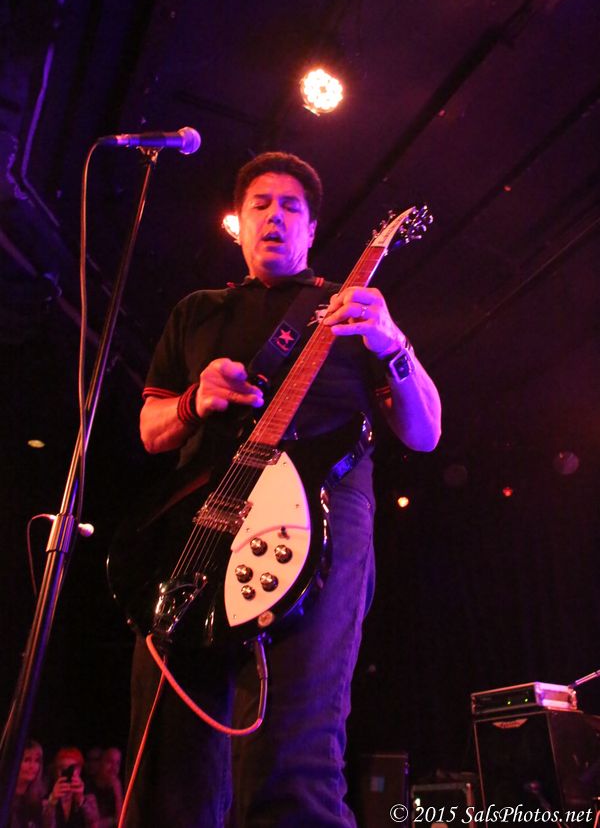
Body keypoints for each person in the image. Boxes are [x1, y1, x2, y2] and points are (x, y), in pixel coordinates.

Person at [124, 151, 441, 827]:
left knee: (292, 747)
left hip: (322, 521)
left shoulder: (349, 310)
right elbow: (151, 431)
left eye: (291, 206)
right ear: (237, 223)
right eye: (260, 204)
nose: (274, 216)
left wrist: (391, 342)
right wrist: (194, 401)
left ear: (311, 228)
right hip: (201, 530)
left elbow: (426, 432)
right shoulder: (197, 311)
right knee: (171, 752)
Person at [43, 748, 99, 828]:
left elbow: (94, 824)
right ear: (56, 771)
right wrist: (52, 801)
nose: (67, 772)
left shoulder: (88, 796)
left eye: (71, 768)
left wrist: (81, 800)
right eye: (62, 768)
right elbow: (45, 825)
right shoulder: (46, 796)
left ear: (80, 770)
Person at [10, 739, 45, 828]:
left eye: (36, 761)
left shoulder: (38, 799)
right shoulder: (4, 796)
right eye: (27, 760)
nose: (32, 766)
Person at [87, 748, 123, 828]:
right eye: (110, 762)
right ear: (100, 763)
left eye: (117, 763)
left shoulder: (118, 788)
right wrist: (114, 820)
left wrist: (118, 793)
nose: (114, 767)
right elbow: (94, 825)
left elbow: (123, 821)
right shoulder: (88, 788)